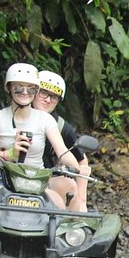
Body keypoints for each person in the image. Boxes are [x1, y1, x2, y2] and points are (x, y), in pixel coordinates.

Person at [0, 63, 81, 208]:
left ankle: (74, 229)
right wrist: (7, 153)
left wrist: (78, 167)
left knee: (58, 205)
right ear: (8, 88)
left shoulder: (45, 119)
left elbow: (62, 151)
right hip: (3, 180)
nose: (25, 92)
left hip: (37, 180)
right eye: (19, 87)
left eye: (31, 88)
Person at [33, 70, 91, 212]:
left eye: (54, 97)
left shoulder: (62, 127)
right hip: (10, 175)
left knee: (68, 186)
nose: (47, 100)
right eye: (43, 93)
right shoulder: (12, 116)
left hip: (46, 177)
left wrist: (82, 199)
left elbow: (81, 160)